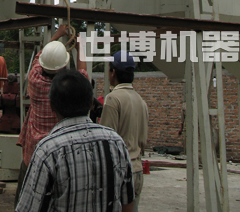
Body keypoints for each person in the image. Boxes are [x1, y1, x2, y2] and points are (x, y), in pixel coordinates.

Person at [16, 69, 135, 212]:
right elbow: (128, 204)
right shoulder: (116, 143)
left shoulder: (48, 151)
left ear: (52, 106)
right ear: (91, 103)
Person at [15, 24, 88, 204]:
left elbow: (39, 59)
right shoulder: (71, 89)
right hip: (64, 154)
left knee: (25, 198)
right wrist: (81, 48)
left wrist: (57, 35)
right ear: (64, 66)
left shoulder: (34, 81)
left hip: (34, 152)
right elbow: (83, 74)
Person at [100, 52, 149, 212]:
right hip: (137, 170)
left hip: (119, 172)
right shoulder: (141, 101)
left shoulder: (113, 99)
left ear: (113, 72)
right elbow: (143, 140)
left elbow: (107, 140)